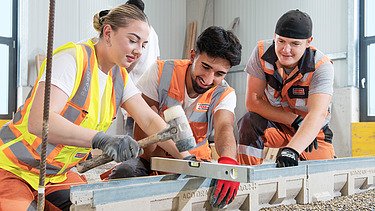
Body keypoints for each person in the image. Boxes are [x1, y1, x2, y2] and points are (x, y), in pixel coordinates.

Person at [0, 4, 177, 210]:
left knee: (92, 207)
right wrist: (101, 139)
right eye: (132, 40)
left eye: (144, 45)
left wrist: (189, 158)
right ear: (108, 32)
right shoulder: (72, 60)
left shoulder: (118, 76)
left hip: (57, 175)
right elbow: (39, 121)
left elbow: (149, 120)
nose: (138, 51)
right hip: (13, 169)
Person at [108, 26, 242, 208]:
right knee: (122, 175)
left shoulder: (224, 93)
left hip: (196, 164)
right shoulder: (161, 72)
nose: (209, 79)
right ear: (193, 55)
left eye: (219, 74)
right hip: (151, 160)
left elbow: (224, 127)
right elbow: (145, 137)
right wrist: (160, 124)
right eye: (206, 67)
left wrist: (228, 163)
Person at [237, 9, 335, 168]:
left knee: (324, 179)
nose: (285, 50)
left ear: (309, 41)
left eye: (295, 43)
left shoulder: (321, 66)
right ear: (274, 36)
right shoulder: (261, 53)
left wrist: (292, 149)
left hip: (313, 131)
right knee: (249, 122)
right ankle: (247, 177)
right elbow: (253, 102)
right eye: (281, 41)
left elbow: (318, 114)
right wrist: (294, 120)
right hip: (277, 124)